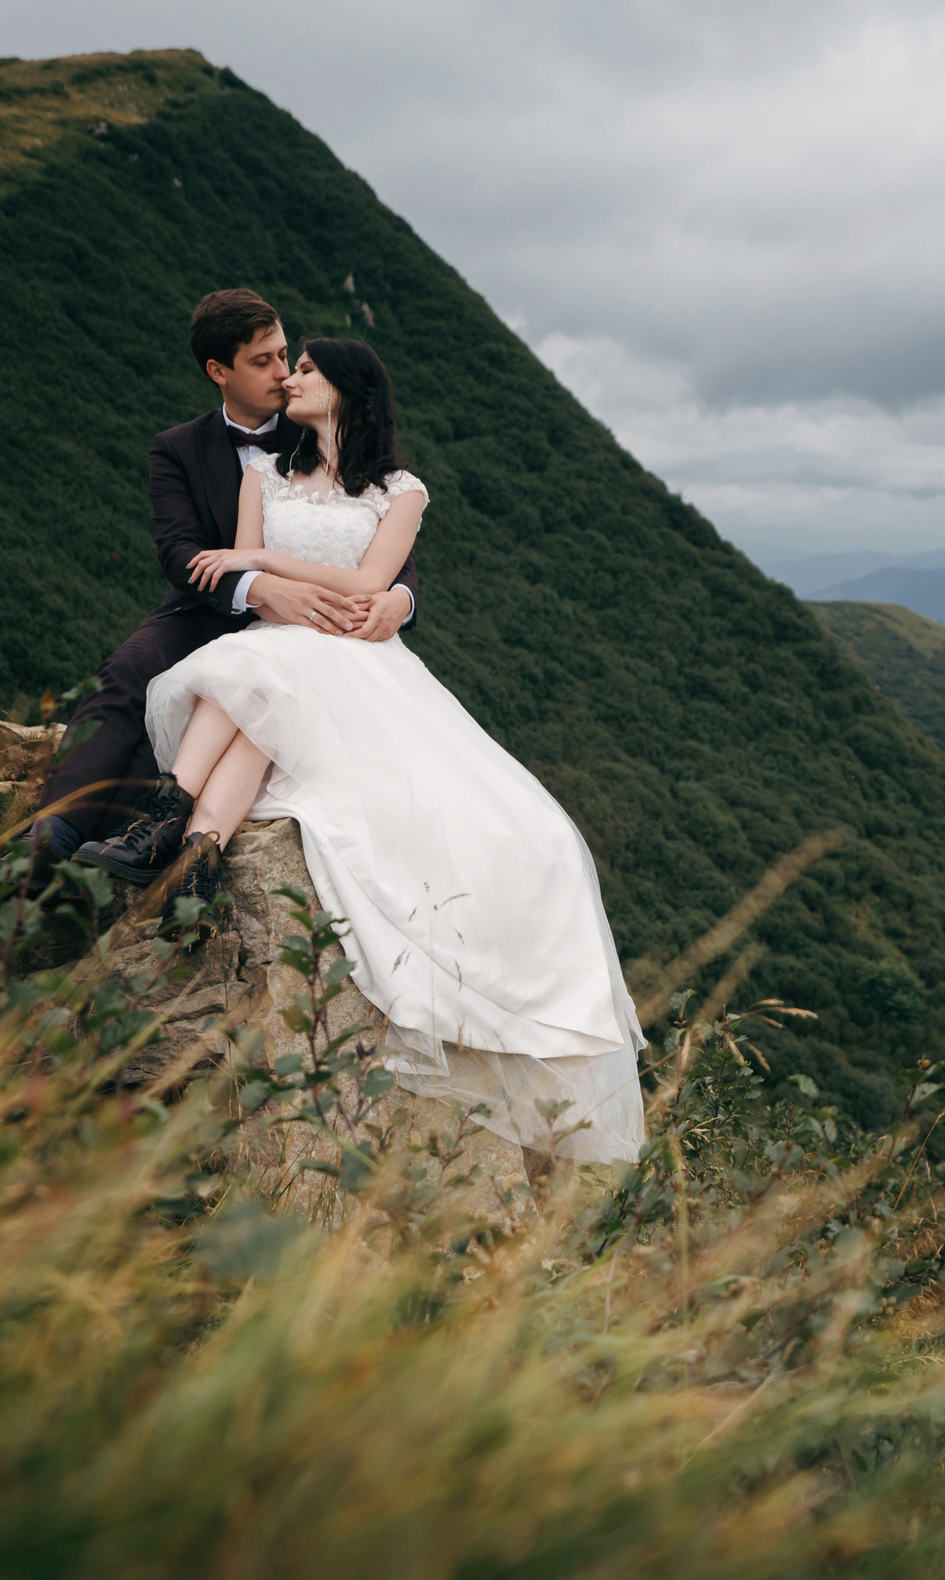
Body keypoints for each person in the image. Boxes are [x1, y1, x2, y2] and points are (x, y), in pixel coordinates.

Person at [143, 337, 645, 1165]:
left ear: (348, 389)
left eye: (305, 368)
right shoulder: (261, 474)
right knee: (256, 666)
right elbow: (243, 580)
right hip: (282, 640)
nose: (291, 378)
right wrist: (268, 576)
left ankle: (178, 820)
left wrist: (267, 558)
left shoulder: (400, 491)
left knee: (268, 681)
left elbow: (373, 585)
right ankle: (191, 843)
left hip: (360, 657)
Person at [0, 290, 422, 917]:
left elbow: (372, 536)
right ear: (220, 371)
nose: (283, 373)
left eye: (286, 356)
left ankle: (104, 866)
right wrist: (259, 587)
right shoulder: (179, 448)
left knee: (213, 708)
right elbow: (178, 552)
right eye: (264, 361)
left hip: (312, 626)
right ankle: (47, 845)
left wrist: (400, 598)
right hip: (210, 607)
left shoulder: (322, 428)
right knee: (128, 676)